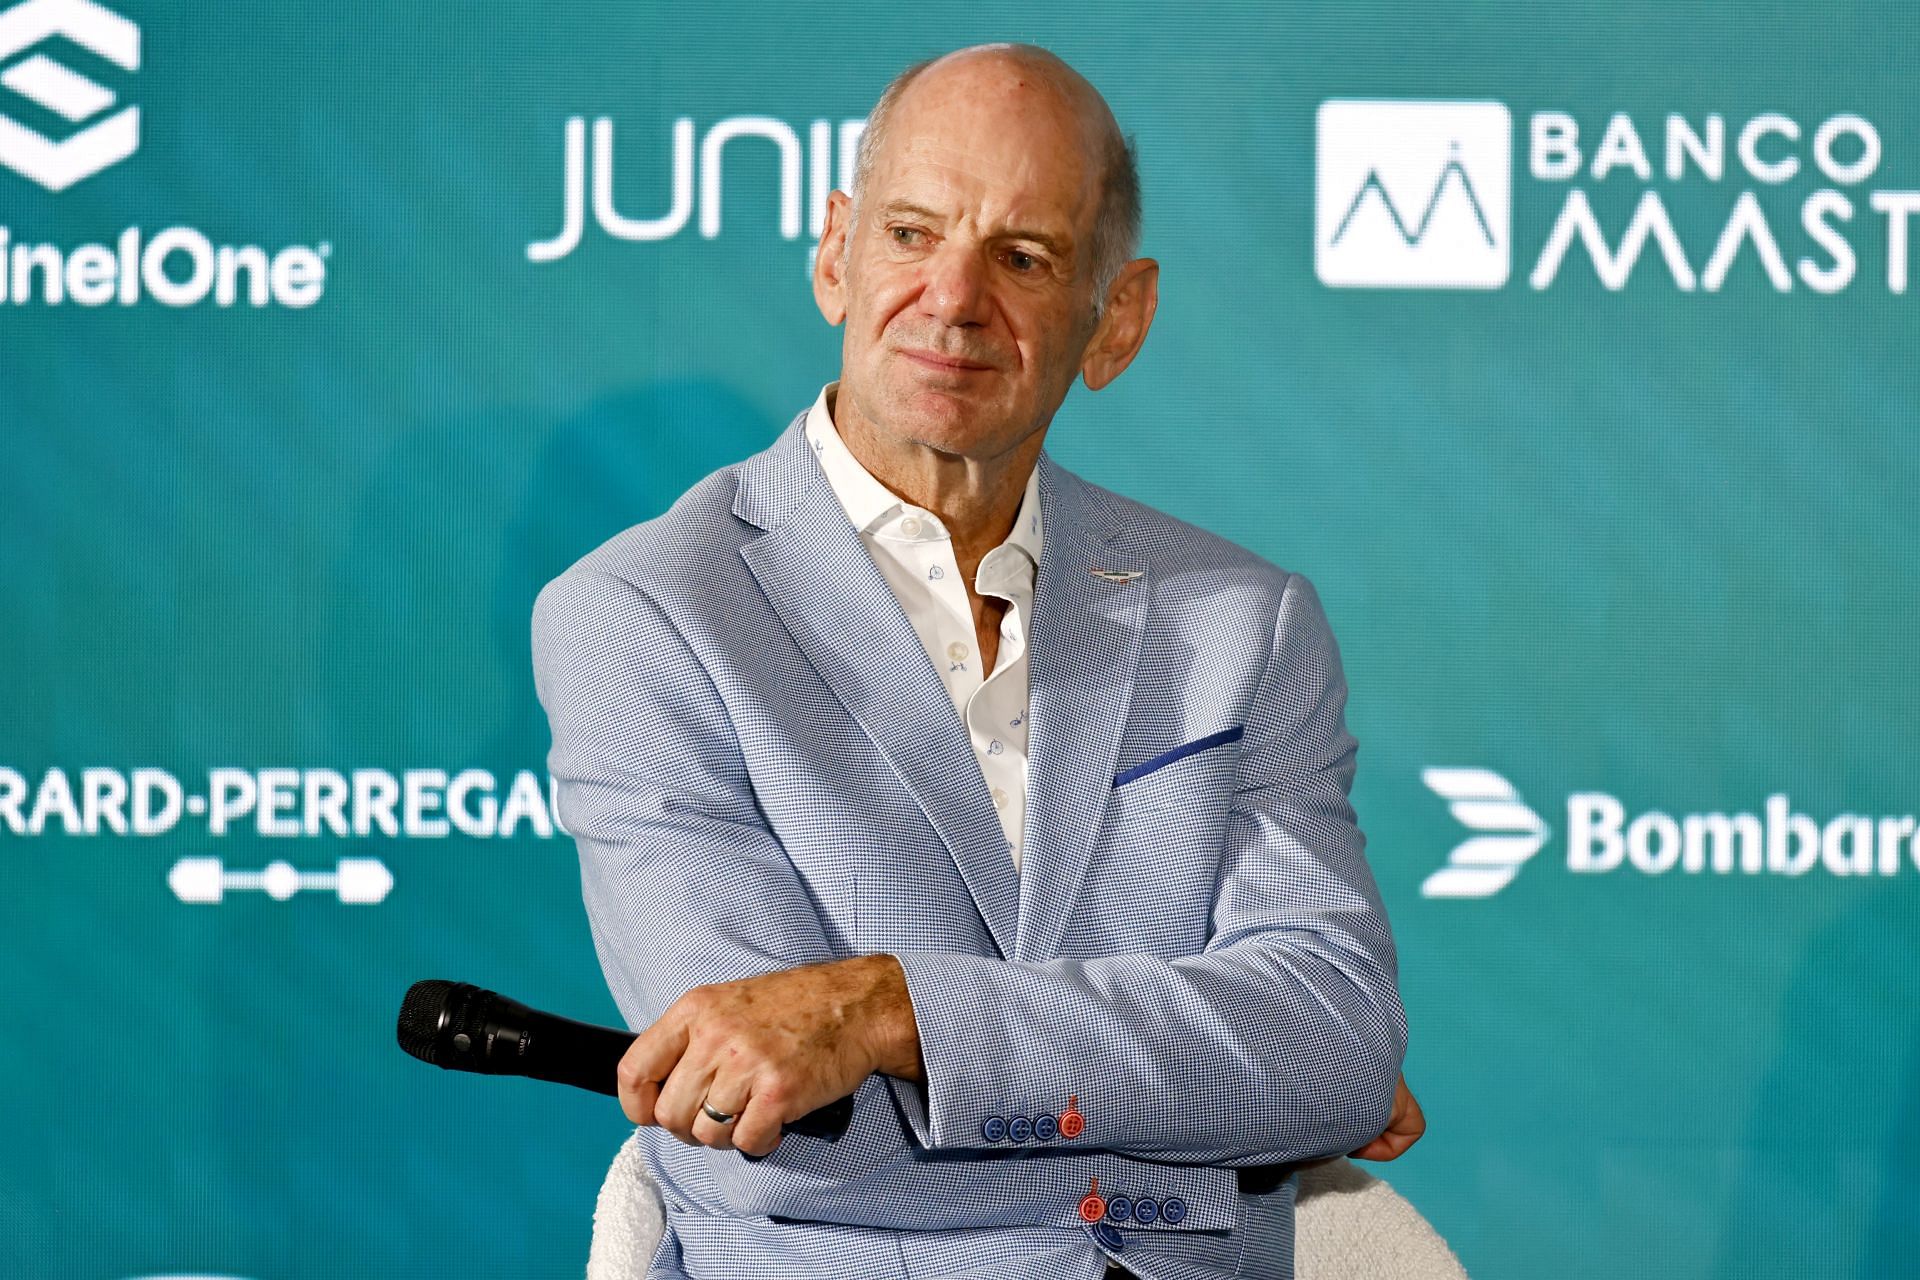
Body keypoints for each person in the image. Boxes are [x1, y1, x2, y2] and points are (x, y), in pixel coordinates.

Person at [533, 42, 1422, 1280]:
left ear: (1117, 319)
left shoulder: (1240, 620)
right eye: (911, 233)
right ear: (835, 251)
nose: (954, 297)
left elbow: (1331, 1049)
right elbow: (787, 1124)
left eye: (1023, 257)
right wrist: (1212, 1100)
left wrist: (889, 1010)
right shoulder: (646, 614)